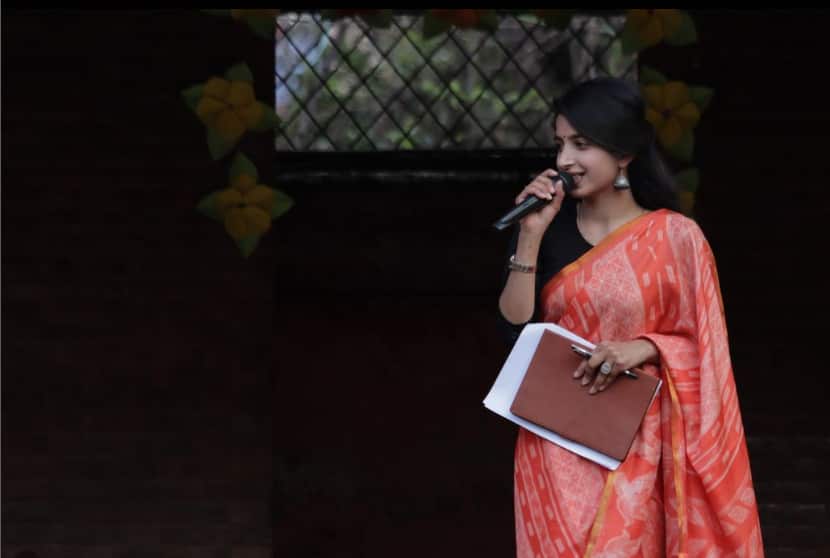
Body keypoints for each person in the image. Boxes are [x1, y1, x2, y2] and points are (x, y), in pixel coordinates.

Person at [497, 77, 764, 557]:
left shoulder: (676, 238)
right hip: (554, 444)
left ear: (623, 153)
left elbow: (709, 351)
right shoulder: (547, 232)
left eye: (581, 144)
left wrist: (646, 347)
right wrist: (530, 236)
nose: (564, 161)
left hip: (644, 446)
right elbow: (515, 327)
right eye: (559, 144)